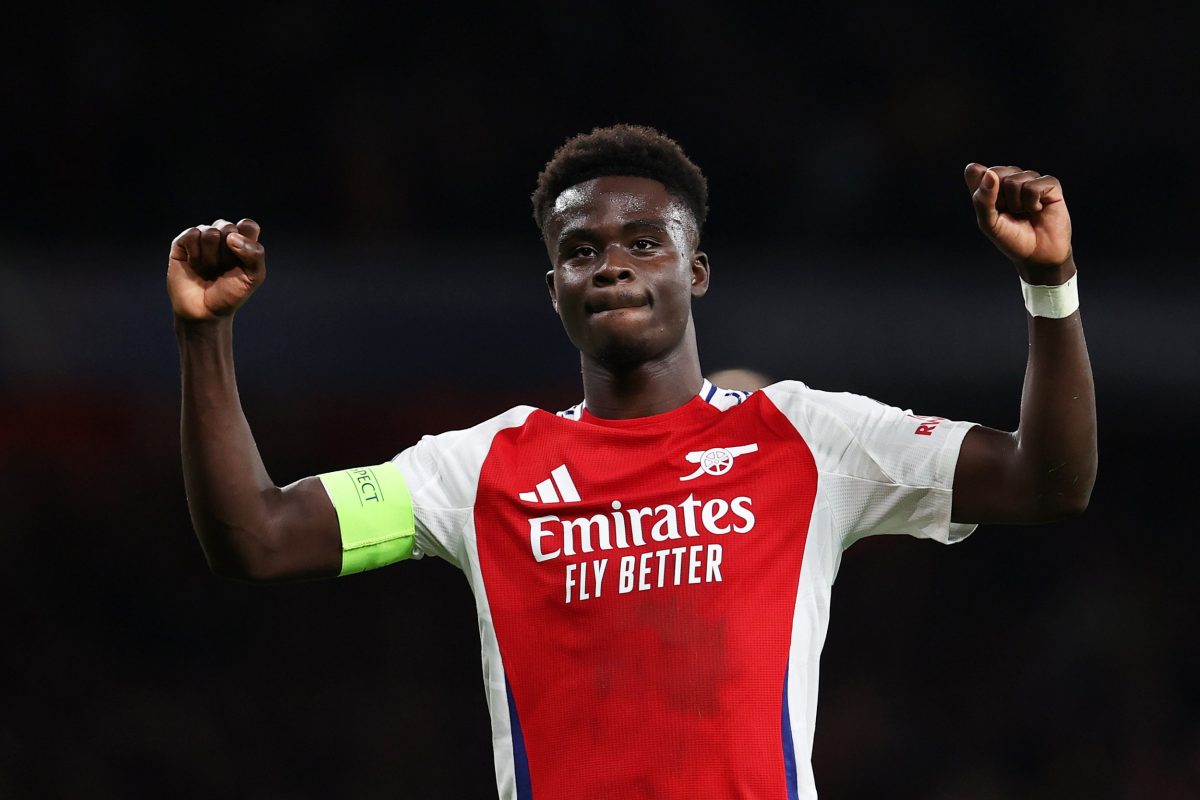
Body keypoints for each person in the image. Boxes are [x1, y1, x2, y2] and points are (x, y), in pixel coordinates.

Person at [167, 124, 1097, 800]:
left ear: (694, 270)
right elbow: (257, 535)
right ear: (554, 289)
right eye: (582, 252)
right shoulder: (481, 469)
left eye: (643, 243)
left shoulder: (807, 437)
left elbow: (1046, 481)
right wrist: (203, 336)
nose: (611, 265)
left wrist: (1049, 286)